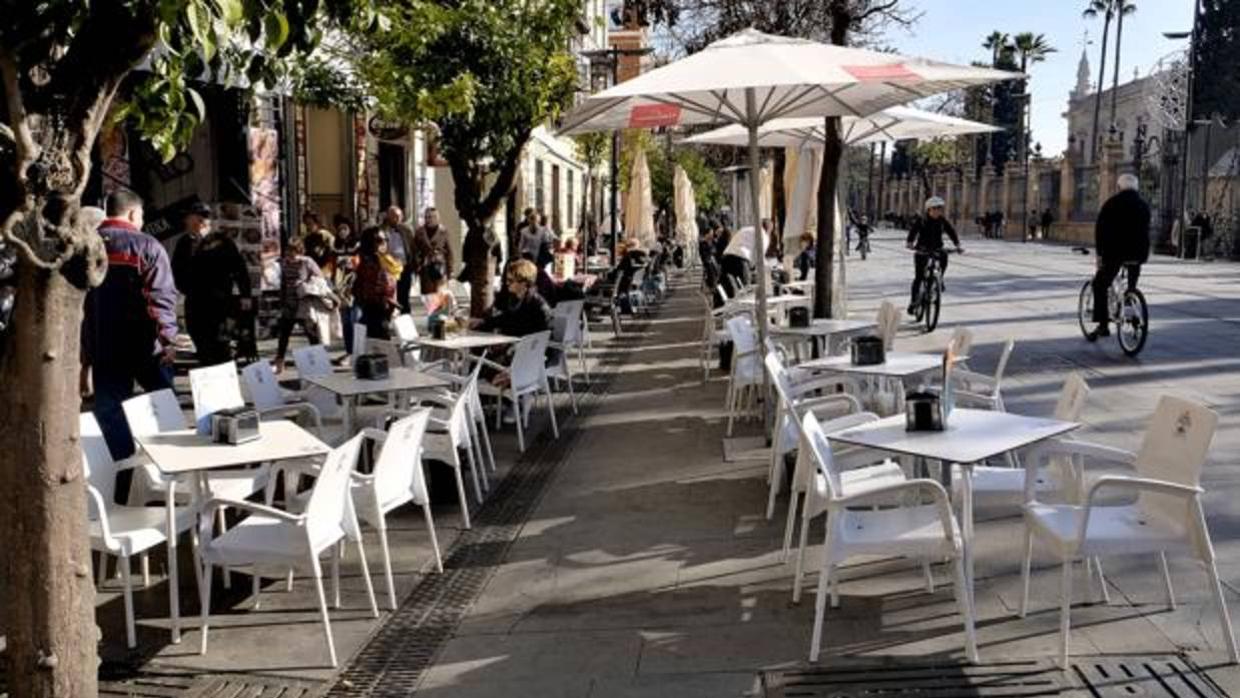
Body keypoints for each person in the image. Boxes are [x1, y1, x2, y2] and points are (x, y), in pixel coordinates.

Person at [83, 190, 180, 460]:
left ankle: (121, 474)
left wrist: (85, 357)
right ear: (133, 213)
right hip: (146, 346)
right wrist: (168, 340)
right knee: (164, 406)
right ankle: (170, 464)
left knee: (110, 413)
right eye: (142, 216)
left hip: (103, 347)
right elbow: (160, 299)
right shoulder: (147, 246)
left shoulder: (86, 247)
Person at [171, 201, 251, 366]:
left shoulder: (222, 241)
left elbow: (239, 269)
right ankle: (208, 383)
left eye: (190, 218)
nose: (187, 222)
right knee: (201, 343)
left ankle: (225, 384)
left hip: (219, 303)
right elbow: (176, 271)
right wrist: (185, 288)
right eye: (189, 218)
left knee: (221, 346)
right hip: (195, 302)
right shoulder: (184, 243)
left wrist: (245, 295)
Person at [1087, 173, 1150, 341]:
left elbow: (1100, 231)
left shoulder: (1111, 204)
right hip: (1139, 253)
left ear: (1119, 187)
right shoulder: (1144, 205)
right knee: (1131, 280)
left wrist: (1100, 254)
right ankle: (1131, 293)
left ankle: (1103, 325)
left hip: (1115, 253)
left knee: (1100, 285)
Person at [272, 239, 334, 372]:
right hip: (289, 304)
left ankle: (320, 363)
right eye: (289, 250)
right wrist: (281, 302)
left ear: (300, 251)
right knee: (284, 334)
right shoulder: (284, 263)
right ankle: (279, 362)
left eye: (294, 251)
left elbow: (321, 278)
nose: (291, 254)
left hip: (304, 304)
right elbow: (282, 283)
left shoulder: (307, 262)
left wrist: (326, 293)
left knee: (311, 334)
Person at [906, 196, 963, 315]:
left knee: (944, 257)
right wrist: (910, 243)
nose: (938, 211)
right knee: (919, 277)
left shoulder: (942, 220)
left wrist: (957, 245)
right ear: (929, 209)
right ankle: (913, 302)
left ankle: (940, 279)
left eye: (940, 208)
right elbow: (913, 232)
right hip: (922, 249)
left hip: (937, 248)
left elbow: (951, 231)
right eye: (935, 208)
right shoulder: (922, 220)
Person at [353, 227, 397, 340]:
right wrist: (386, 300)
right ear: (370, 243)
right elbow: (369, 291)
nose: (385, 243)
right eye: (380, 240)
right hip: (375, 313)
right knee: (380, 348)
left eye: (386, 239)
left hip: (383, 313)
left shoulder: (383, 260)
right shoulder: (369, 264)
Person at [411, 207, 454, 301]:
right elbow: (414, 251)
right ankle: (431, 315)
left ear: (437, 218)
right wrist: (417, 266)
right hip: (425, 268)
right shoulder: (419, 232)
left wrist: (450, 270)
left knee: (440, 294)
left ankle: (440, 315)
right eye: (426, 217)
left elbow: (449, 252)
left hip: (440, 267)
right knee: (428, 296)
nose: (428, 219)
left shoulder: (443, 231)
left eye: (431, 217)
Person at [380, 206, 417, 312]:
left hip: (405, 266)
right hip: (389, 268)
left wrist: (414, 264)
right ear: (388, 216)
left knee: (404, 294)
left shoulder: (406, 230)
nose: (397, 219)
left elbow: (412, 247)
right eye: (394, 216)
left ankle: (405, 316)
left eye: (399, 216)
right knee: (390, 294)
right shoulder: (382, 230)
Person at [720, 224, 769, 297]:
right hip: (741, 258)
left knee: (728, 289)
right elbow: (760, 255)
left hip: (727, 256)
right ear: (769, 230)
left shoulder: (747, 229)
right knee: (746, 290)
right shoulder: (763, 235)